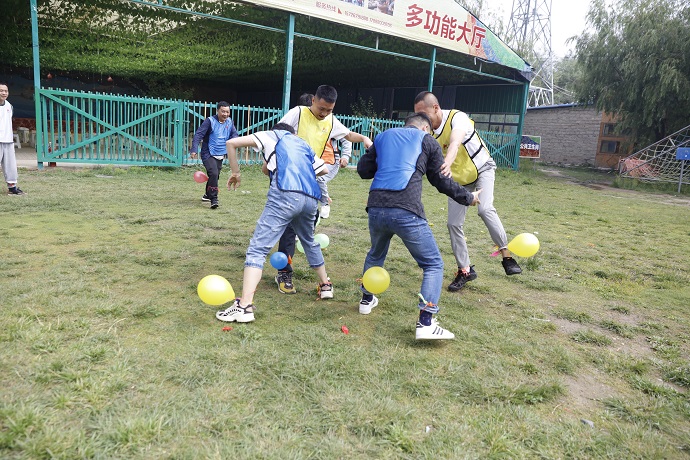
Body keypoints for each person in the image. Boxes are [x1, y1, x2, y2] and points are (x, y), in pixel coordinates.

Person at [357, 113, 481, 340]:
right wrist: (468, 197)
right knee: (433, 264)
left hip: (376, 208)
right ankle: (426, 322)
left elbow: (363, 171)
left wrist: (378, 154)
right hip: (406, 209)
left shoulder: (383, 137)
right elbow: (440, 180)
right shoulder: (427, 140)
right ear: (425, 128)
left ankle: (366, 299)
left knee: (375, 254)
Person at [216, 123, 333, 323]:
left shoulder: (272, 136)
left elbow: (231, 143)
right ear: (293, 134)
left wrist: (235, 172)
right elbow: (323, 170)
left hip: (285, 195)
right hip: (310, 199)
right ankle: (326, 285)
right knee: (309, 241)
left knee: (257, 249)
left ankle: (244, 306)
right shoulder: (302, 144)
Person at [413, 91, 521, 292]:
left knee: (485, 209)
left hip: (482, 170)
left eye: (424, 114)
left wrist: (446, 162)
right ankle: (465, 271)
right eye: (418, 115)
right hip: (459, 181)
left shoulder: (458, 118)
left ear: (435, 108)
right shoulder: (427, 131)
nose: (422, 119)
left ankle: (507, 256)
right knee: (453, 224)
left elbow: (455, 142)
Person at [273, 85, 372, 294]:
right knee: (289, 226)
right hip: (288, 178)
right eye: (321, 108)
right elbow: (277, 134)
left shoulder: (331, 120)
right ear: (313, 101)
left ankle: (320, 279)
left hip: (311, 180)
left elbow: (347, 135)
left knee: (306, 229)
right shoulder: (298, 113)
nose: (324, 113)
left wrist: (363, 138)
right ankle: (284, 272)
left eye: (329, 110)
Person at [297, 92, 353, 219]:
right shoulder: (301, 121)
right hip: (310, 162)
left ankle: (325, 204)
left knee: (319, 178)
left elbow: (347, 138)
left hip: (330, 161)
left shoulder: (330, 122)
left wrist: (345, 156)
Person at [189, 101, 239, 209]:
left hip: (220, 153)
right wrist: (194, 149)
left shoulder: (229, 122)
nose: (225, 114)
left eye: (227, 112)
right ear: (217, 111)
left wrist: (236, 142)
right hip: (208, 152)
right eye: (223, 111)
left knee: (215, 176)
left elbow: (234, 134)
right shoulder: (209, 121)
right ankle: (214, 199)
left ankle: (207, 195)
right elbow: (198, 134)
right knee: (214, 173)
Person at [0, 83, 24, 196]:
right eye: (1, 90)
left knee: (10, 166)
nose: (4, 93)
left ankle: (12, 187)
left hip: (8, 140)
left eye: (6, 91)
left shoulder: (9, 106)